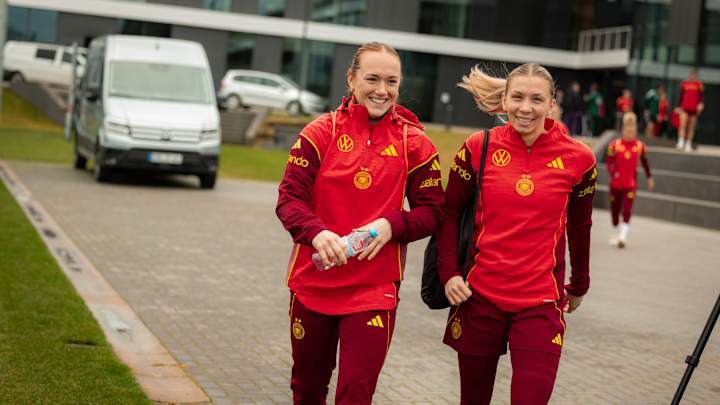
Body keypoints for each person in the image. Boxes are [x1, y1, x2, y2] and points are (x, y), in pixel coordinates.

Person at [275, 42, 444, 404]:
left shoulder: (414, 142)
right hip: (313, 282)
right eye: (372, 79)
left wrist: (392, 225)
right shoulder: (320, 132)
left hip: (374, 289)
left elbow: (432, 211)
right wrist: (317, 233)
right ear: (351, 79)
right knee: (307, 389)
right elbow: (289, 200)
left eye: (391, 81)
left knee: (355, 393)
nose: (382, 90)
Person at [437, 63, 597, 405]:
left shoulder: (579, 159)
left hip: (541, 304)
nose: (526, 108)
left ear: (551, 103)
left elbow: (580, 226)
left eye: (537, 99)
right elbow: (449, 213)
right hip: (479, 298)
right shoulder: (477, 147)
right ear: (505, 101)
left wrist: (579, 283)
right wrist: (449, 273)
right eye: (518, 98)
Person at [606, 112, 654, 248]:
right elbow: (609, 163)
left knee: (627, 210)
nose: (629, 134)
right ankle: (615, 230)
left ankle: (622, 237)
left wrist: (649, 177)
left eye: (632, 131)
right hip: (615, 185)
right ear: (623, 130)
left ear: (635, 131)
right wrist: (613, 174)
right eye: (627, 131)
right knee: (615, 213)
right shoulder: (614, 145)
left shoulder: (640, 146)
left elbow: (645, 163)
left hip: (630, 185)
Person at [676, 68, 705, 152]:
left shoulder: (699, 84)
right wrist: (678, 106)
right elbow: (681, 96)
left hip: (694, 109)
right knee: (682, 125)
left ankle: (688, 144)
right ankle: (681, 142)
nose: (692, 76)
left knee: (691, 127)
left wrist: (701, 104)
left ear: (696, 76)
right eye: (691, 75)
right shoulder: (684, 83)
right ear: (689, 75)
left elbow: (701, 96)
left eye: (694, 75)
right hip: (685, 108)